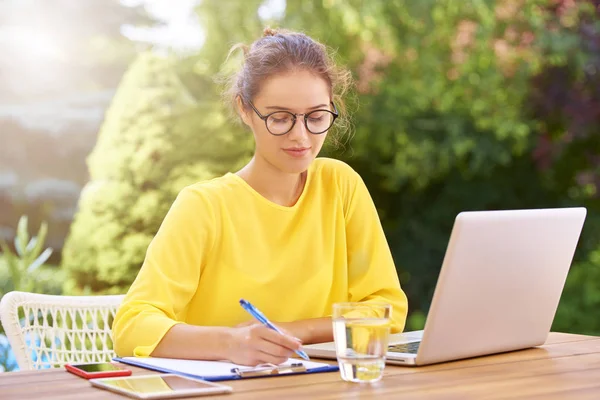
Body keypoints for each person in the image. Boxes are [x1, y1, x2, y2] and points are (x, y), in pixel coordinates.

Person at [113, 27, 408, 367]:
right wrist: (231, 343)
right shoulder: (204, 206)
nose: (301, 137)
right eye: (280, 118)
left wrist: (295, 332)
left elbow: (386, 308)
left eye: (316, 117)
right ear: (245, 109)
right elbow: (131, 327)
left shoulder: (340, 186)